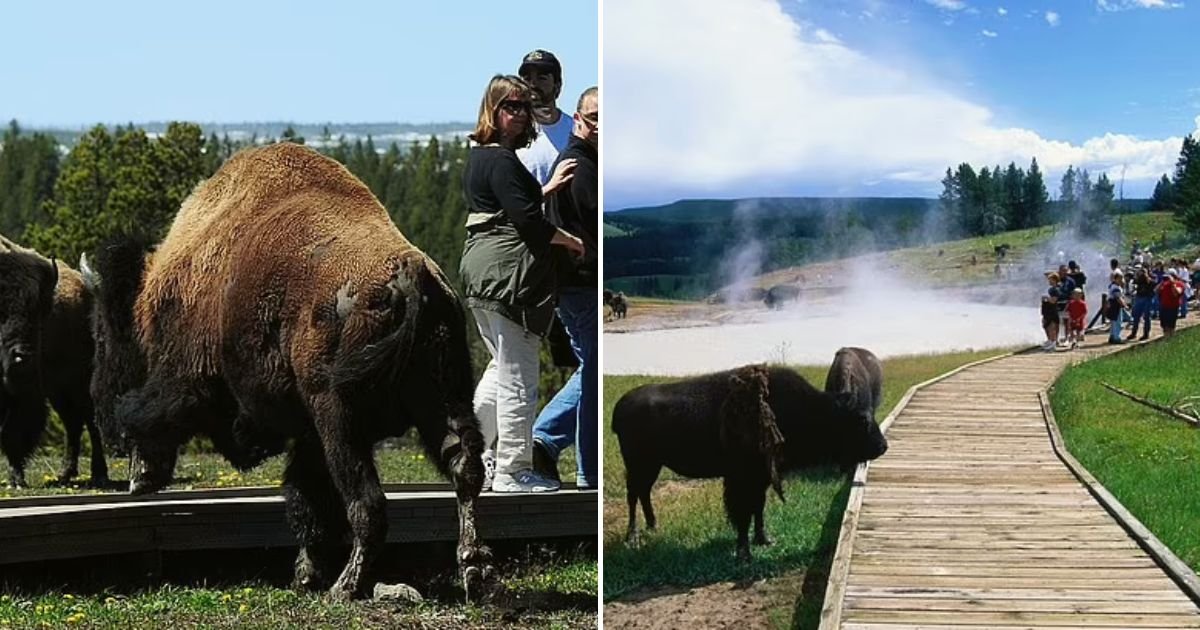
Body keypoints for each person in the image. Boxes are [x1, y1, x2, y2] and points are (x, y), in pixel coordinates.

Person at [460, 74, 585, 493]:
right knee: (519, 375)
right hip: (510, 279)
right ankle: (513, 471)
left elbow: (509, 206)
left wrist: (544, 188)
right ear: (491, 110)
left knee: (500, 368)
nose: (518, 113)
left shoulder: (480, 157)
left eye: (522, 106)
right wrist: (569, 240)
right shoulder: (502, 160)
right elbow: (529, 223)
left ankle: (468, 452)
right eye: (509, 106)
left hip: (482, 275)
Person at [532, 86, 599, 490]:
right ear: (577, 119)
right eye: (594, 118)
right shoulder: (581, 167)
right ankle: (588, 473)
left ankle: (543, 439)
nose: (602, 127)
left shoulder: (579, 162)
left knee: (589, 368)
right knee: (592, 374)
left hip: (572, 288)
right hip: (580, 287)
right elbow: (588, 234)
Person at [516, 49, 574, 186]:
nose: (533, 85)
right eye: (527, 79)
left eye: (542, 78)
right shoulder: (513, 131)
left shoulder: (575, 130)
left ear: (557, 85)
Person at [1127, 266, 1155, 341]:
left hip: (1147, 299)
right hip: (1139, 298)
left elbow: (1153, 291)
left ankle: (1146, 334)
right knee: (1136, 317)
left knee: (1146, 317)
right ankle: (1134, 333)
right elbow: (1133, 285)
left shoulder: (1151, 281)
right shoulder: (1138, 280)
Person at [1157, 269, 1186, 338]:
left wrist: (1173, 283)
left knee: (1171, 325)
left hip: (1173, 307)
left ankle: (1171, 338)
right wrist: (1161, 282)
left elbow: (1177, 293)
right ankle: (1166, 337)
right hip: (1163, 306)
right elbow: (1156, 290)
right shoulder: (1164, 284)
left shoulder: (1180, 284)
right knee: (1164, 325)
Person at [1041, 272, 1063, 351]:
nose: (1049, 281)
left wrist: (1046, 298)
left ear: (1054, 280)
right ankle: (1050, 340)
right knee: (1045, 325)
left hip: (1052, 310)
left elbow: (1054, 301)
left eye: (1050, 280)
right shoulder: (1051, 289)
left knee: (1051, 327)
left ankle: (1053, 342)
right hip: (1047, 309)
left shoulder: (1056, 290)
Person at [1107, 270, 1127, 344]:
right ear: (1115, 279)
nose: (1121, 280)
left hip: (1112, 305)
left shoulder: (1112, 285)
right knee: (1117, 322)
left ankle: (1112, 336)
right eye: (1119, 279)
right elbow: (1118, 298)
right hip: (1116, 306)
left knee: (1113, 322)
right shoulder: (1115, 287)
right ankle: (1116, 338)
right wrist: (1124, 305)